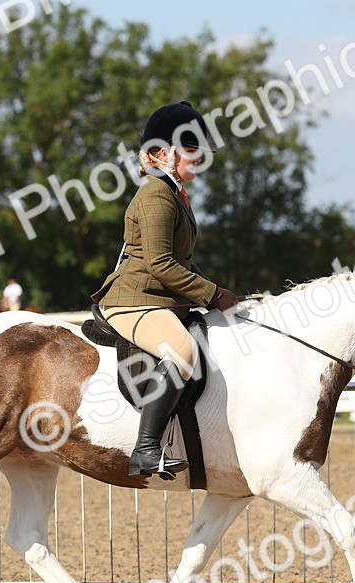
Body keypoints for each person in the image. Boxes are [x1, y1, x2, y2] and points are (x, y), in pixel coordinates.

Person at [91, 100, 239, 479]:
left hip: (158, 299)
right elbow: (160, 263)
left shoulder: (174, 194)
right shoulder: (157, 195)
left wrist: (217, 291)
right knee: (183, 350)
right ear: (162, 154)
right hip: (134, 301)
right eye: (191, 150)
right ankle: (145, 449)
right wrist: (212, 294)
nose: (198, 159)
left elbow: (182, 262)